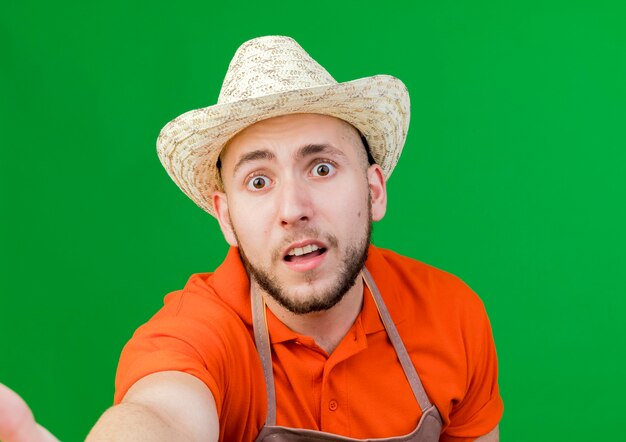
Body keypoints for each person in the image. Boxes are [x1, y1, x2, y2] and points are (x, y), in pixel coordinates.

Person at [0, 36, 503, 441]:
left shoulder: (452, 317)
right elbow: (160, 416)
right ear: (226, 217)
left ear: (373, 191)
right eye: (258, 181)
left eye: (322, 167)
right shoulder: (193, 337)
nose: (293, 210)